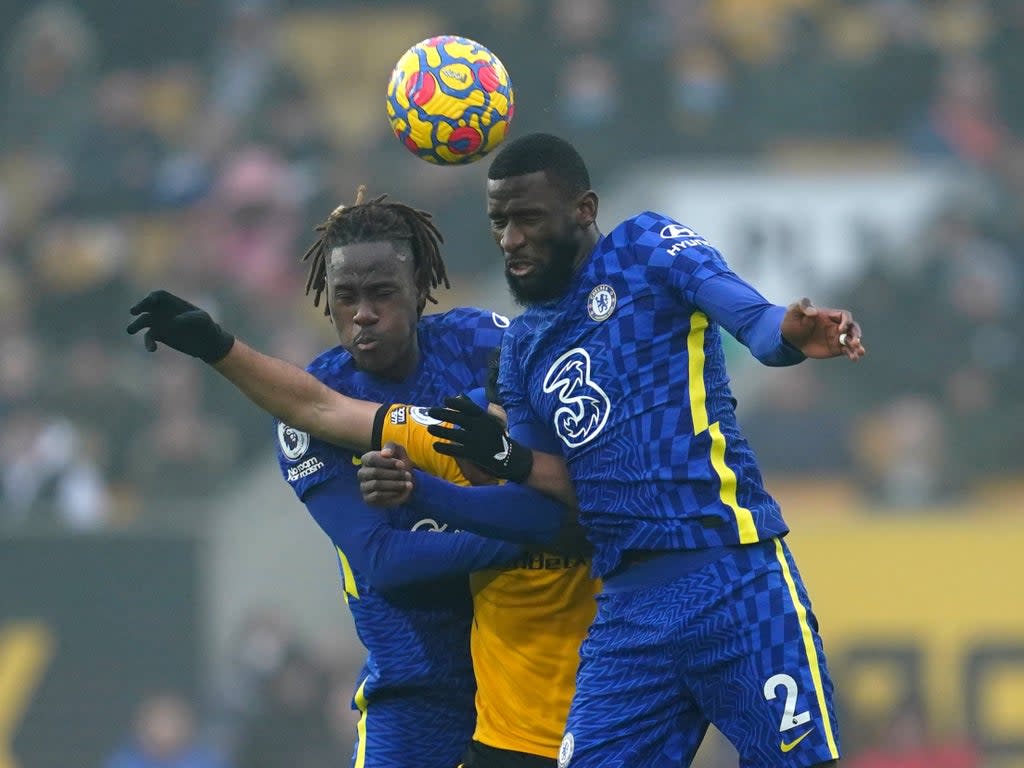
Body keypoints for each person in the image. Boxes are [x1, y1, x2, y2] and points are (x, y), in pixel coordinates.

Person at [356, 132, 866, 768]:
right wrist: (482, 469)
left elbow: (753, 318)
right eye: (498, 222)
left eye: (527, 218)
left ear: (584, 209)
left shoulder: (646, 249)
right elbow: (551, 507)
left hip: (732, 576)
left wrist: (787, 334)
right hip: (628, 609)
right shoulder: (523, 349)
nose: (510, 239)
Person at [126, 189, 597, 767]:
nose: (364, 313)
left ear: (421, 287)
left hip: (527, 671)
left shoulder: (485, 345)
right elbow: (383, 561)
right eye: (346, 297)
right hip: (415, 687)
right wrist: (539, 532)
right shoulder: (308, 413)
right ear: (326, 302)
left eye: (382, 293)